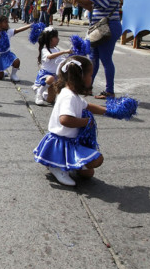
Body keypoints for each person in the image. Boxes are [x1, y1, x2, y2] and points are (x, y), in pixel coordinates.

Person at [33, 56, 106, 186]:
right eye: (90, 75)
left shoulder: (72, 94)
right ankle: (57, 167)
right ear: (80, 77)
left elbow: (88, 106)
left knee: (88, 173)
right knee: (98, 159)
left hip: (71, 142)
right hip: (61, 142)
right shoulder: (69, 97)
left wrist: (109, 111)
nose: (91, 78)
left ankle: (68, 164)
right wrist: (86, 122)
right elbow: (65, 120)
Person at [64, 0, 122, 99]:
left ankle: (109, 91)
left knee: (106, 59)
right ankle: (88, 87)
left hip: (107, 27)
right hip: (99, 28)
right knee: (93, 59)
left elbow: (89, 2)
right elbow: (92, 7)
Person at [33, 28, 71, 106]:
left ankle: (42, 92)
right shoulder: (45, 50)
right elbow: (50, 56)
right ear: (49, 39)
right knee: (51, 78)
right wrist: (64, 51)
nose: (58, 39)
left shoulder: (56, 49)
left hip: (55, 76)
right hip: (46, 75)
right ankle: (39, 94)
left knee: (50, 100)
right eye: (56, 37)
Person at [0, 15, 32, 82]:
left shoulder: (9, 31)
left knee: (17, 61)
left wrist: (30, 25)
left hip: (7, 54)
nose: (7, 24)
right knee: (0, 78)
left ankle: (13, 75)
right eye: (5, 22)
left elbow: (19, 29)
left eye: (7, 22)